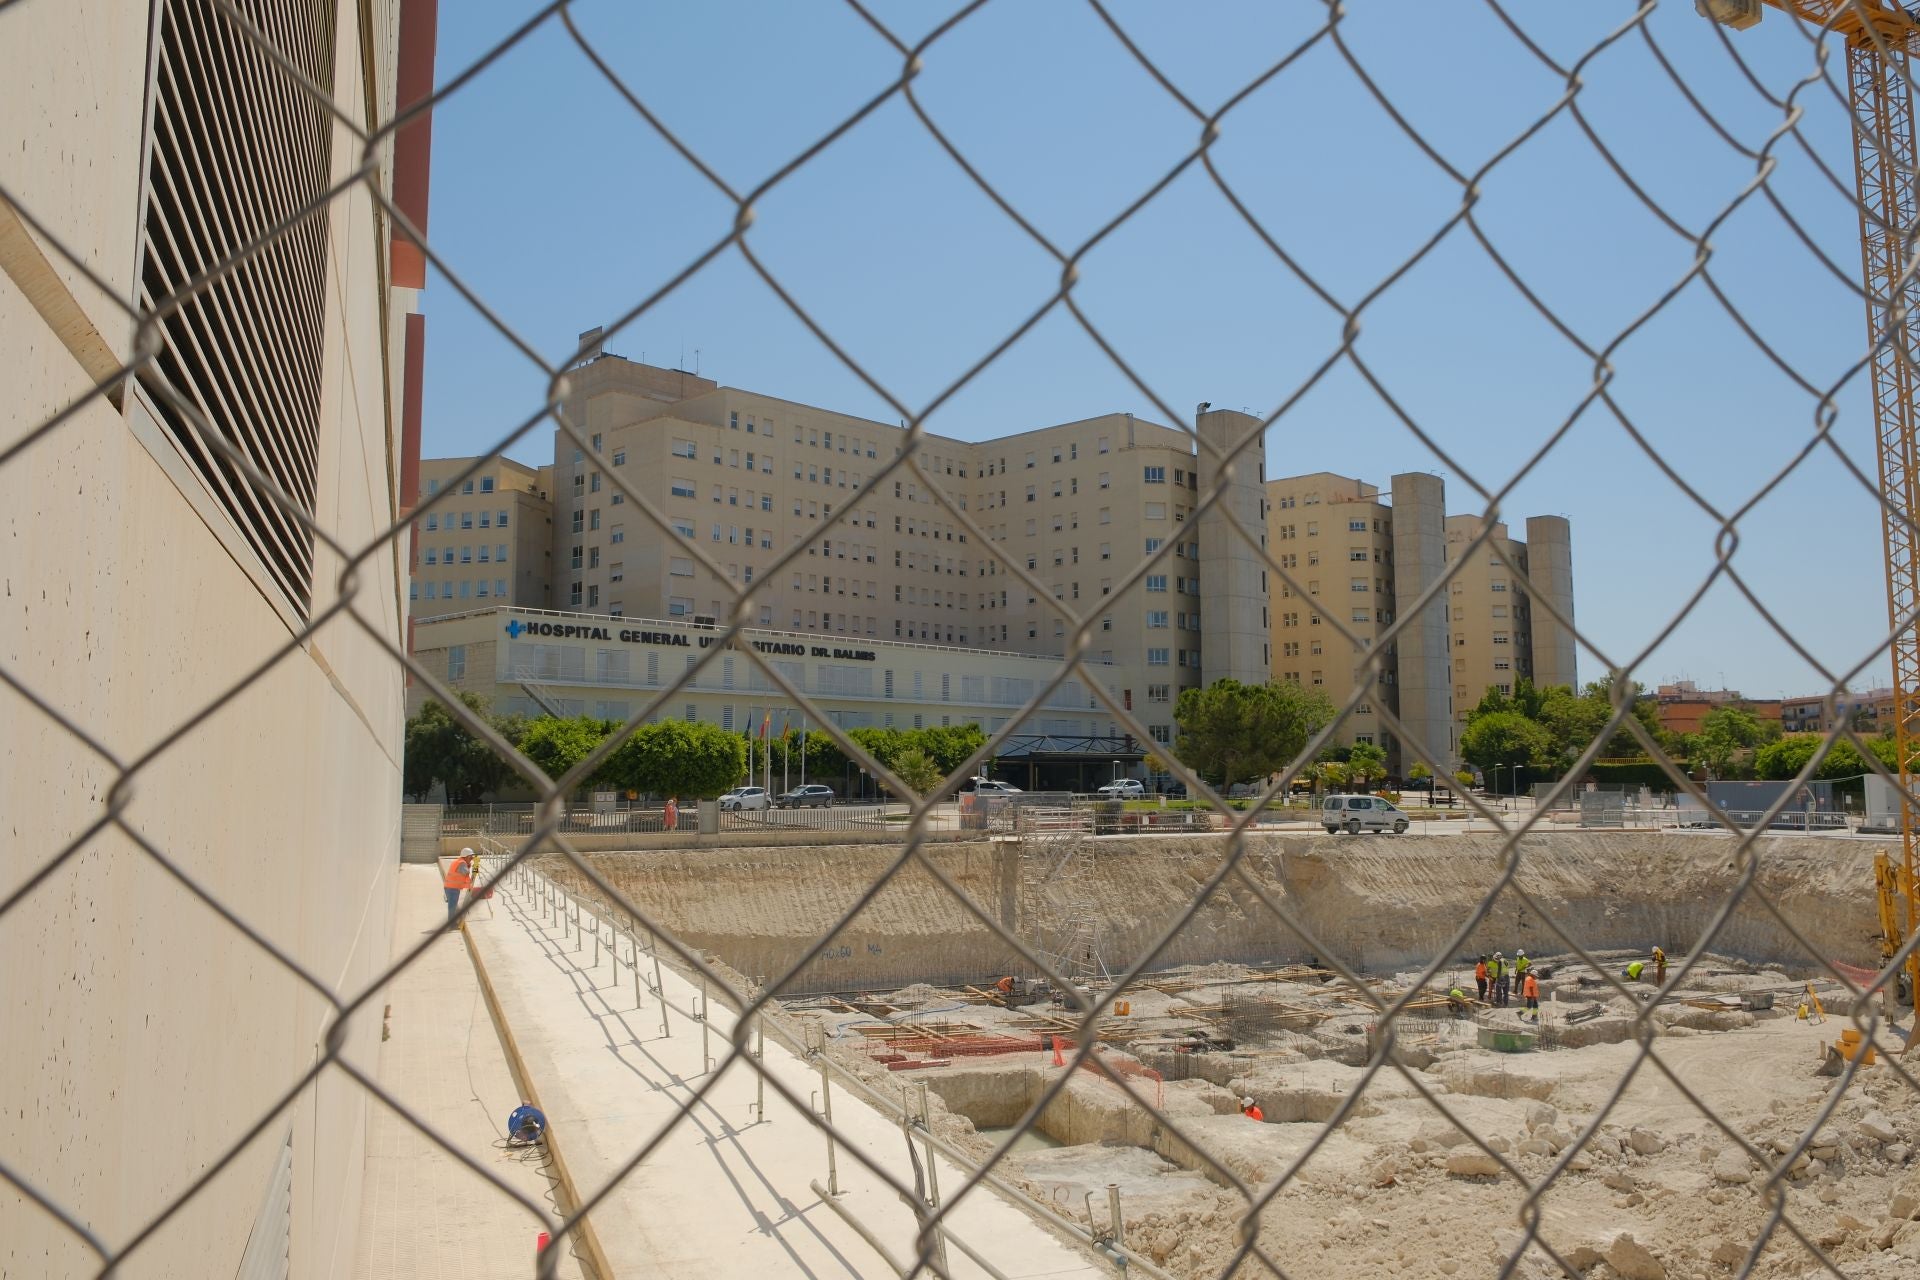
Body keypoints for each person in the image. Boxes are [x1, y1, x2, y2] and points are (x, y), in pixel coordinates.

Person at [443, 848, 476, 931]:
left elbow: (463, 876)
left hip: (451, 887)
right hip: (452, 888)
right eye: (470, 857)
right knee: (452, 907)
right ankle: (451, 925)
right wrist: (474, 867)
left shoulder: (459, 861)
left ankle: (452, 923)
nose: (471, 859)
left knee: (453, 906)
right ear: (465, 856)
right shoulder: (462, 863)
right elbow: (465, 873)